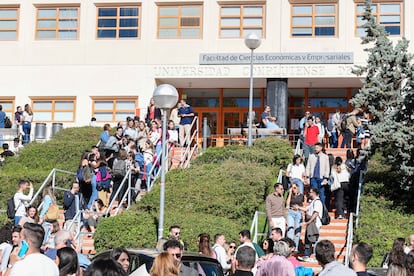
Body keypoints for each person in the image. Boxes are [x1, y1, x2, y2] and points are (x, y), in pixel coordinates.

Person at [296, 187, 323, 262]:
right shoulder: (313, 202)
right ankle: (307, 255)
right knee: (308, 239)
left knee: (314, 239)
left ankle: (314, 256)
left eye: (310, 192)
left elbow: (315, 213)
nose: (309, 193)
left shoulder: (317, 202)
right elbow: (307, 209)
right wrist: (298, 208)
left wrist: (308, 222)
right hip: (311, 223)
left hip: (315, 224)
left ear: (314, 193)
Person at [286, 182, 305, 252]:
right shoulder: (290, 195)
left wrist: (303, 215)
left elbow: (303, 206)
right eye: (292, 188)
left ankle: (295, 247)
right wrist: (290, 193)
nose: (293, 189)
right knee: (290, 230)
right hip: (290, 212)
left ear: (297, 188)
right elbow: (287, 204)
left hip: (298, 213)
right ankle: (289, 246)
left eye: (294, 188)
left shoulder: (302, 196)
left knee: (297, 231)